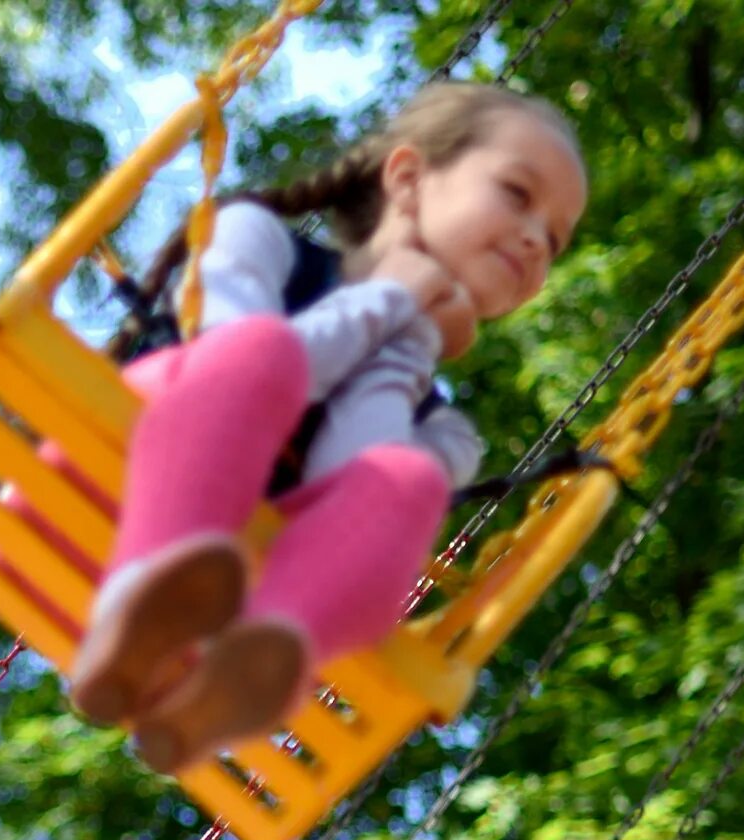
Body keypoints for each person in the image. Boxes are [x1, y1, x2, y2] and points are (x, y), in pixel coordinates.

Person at [64, 80, 588, 773]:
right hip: (108, 478)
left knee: (405, 481)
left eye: (553, 240)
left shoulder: (450, 437)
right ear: (407, 177)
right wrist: (392, 296)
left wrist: (412, 342)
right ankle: (142, 596)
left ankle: (248, 665)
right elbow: (246, 370)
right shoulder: (254, 236)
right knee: (261, 351)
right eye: (517, 195)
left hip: (221, 613)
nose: (533, 238)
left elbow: (345, 472)